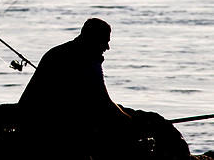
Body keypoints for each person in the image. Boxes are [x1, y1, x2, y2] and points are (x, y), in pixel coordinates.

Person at [18, 18, 190, 159]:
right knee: (145, 123)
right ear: (92, 39)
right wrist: (130, 123)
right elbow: (103, 104)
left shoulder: (60, 51)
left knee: (133, 118)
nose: (107, 48)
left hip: (44, 117)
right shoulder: (85, 60)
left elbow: (97, 101)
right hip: (53, 127)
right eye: (105, 42)